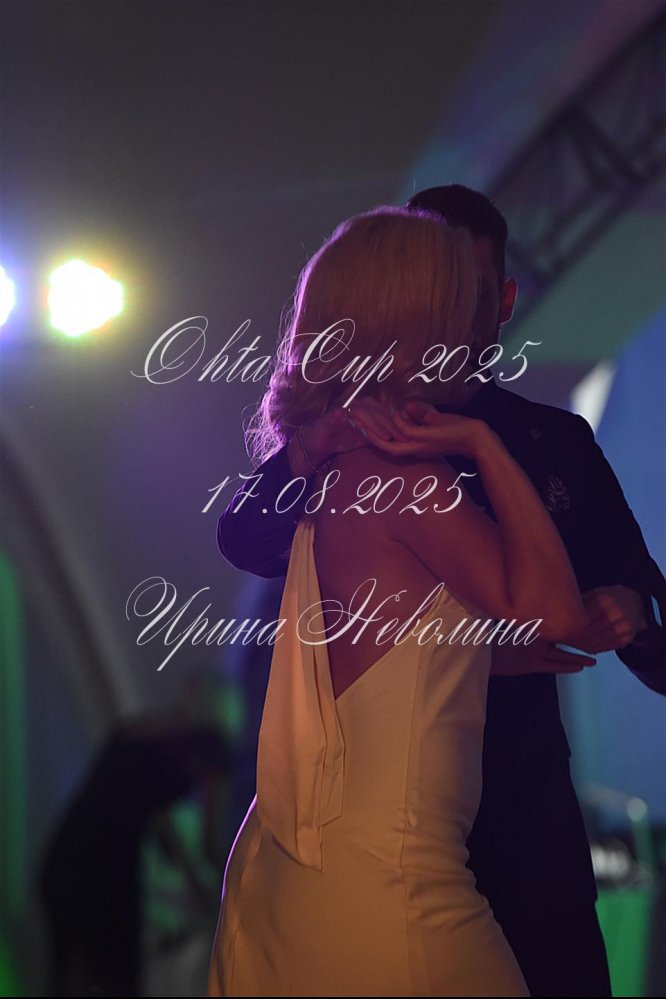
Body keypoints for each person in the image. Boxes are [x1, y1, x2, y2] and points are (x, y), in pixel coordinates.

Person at [215, 185, 666, 997]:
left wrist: (635, 615)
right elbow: (246, 538)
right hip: (395, 859)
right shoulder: (364, 460)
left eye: (474, 291)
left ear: (502, 300)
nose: (466, 317)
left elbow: (404, 648)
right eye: (449, 290)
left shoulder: (549, 441)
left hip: (502, 828)